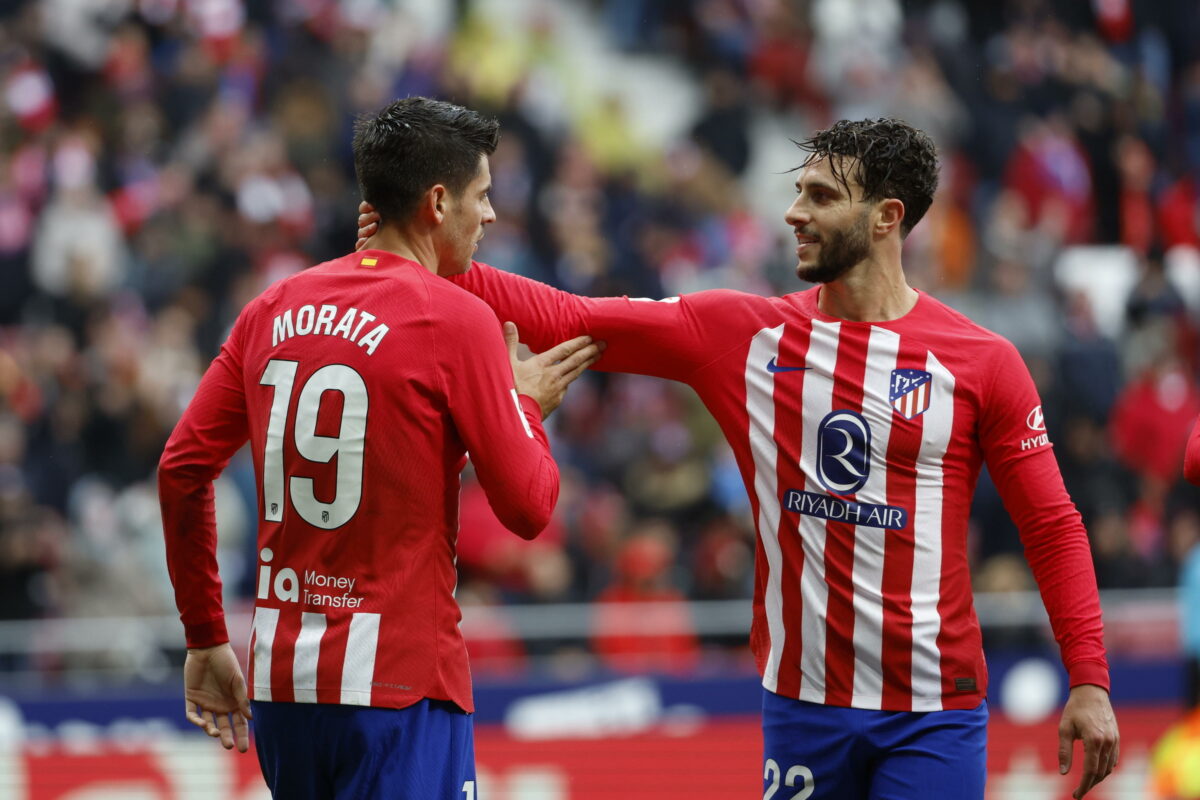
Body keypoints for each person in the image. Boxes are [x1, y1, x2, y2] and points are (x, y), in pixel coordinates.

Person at [359, 116, 1120, 799]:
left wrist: (1088, 677)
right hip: (803, 708)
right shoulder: (744, 336)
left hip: (932, 714)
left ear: (888, 218)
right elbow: (571, 315)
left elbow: (1051, 524)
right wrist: (418, 249)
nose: (794, 212)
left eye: (821, 197)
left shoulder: (982, 363)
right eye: (798, 192)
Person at [158, 97, 601, 799]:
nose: (490, 215)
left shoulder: (270, 308)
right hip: (401, 686)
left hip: (285, 692)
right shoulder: (457, 318)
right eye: (482, 196)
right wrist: (526, 405)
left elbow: (182, 468)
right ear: (437, 202)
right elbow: (529, 508)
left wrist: (206, 635)